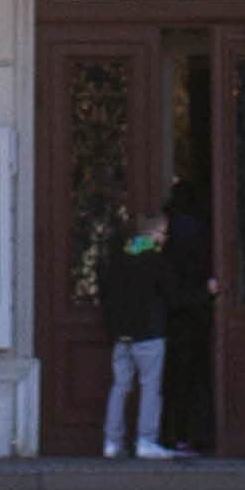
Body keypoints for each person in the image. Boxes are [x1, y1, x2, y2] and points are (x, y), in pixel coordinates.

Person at [97, 219, 172, 457]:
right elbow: (173, 294)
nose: (165, 238)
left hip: (122, 335)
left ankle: (112, 442)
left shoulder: (119, 260)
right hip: (148, 333)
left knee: (120, 387)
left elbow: (105, 294)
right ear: (151, 234)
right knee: (150, 387)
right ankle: (146, 441)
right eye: (162, 232)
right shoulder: (156, 260)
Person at [154, 192, 215, 458]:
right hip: (193, 323)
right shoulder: (197, 241)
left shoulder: (168, 251)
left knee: (175, 385)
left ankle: (173, 436)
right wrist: (207, 293)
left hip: (172, 326)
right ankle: (191, 436)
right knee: (192, 384)